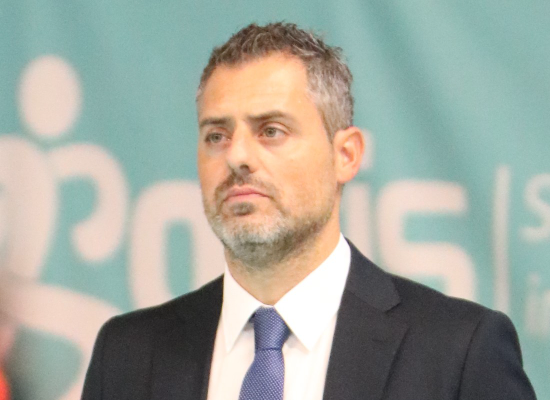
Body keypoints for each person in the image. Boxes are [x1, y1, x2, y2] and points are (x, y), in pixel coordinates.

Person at [81, 22, 537, 400]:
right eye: (217, 135)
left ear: (346, 155)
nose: (237, 156)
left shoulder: (458, 351)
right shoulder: (128, 355)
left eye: (271, 130)